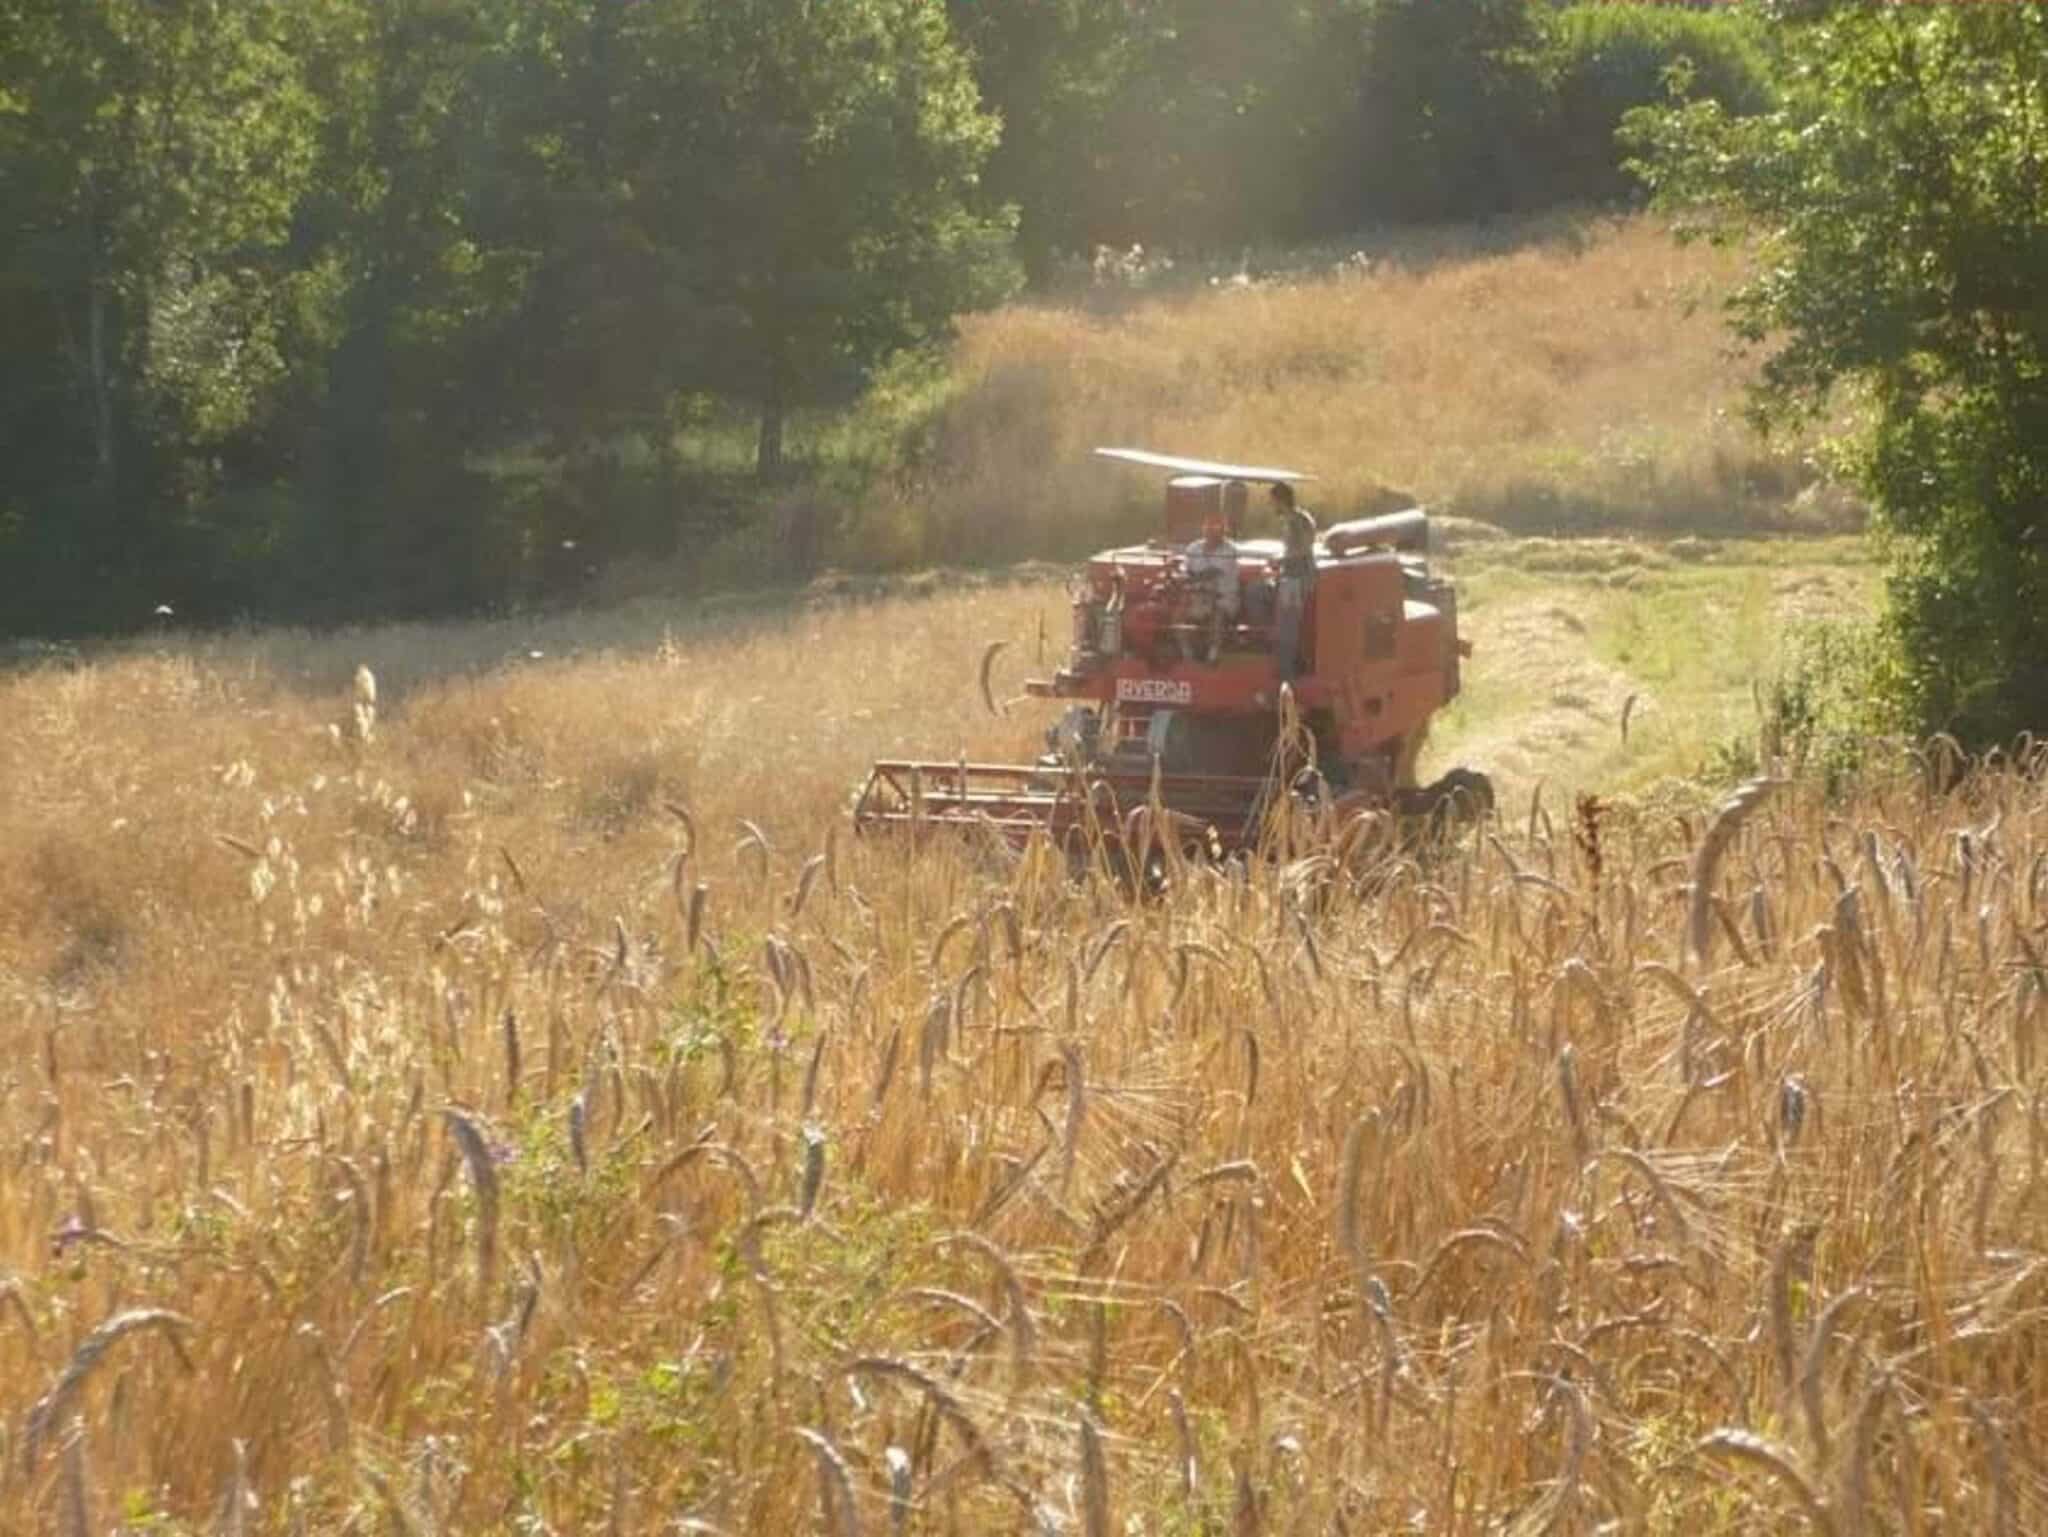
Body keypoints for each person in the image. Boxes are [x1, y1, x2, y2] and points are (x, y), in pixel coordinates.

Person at [1270, 480, 1317, 681]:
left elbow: (1303, 548)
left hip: (1297, 579)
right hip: (1291, 577)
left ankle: (1286, 674)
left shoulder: (1298, 520)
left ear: (1281, 500)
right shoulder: (1294, 519)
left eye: (1272, 502)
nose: (1271, 506)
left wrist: (1281, 559)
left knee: (1288, 626)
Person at [1183, 506, 1239, 662]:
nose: (1212, 529)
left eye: (1217, 526)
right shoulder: (1193, 547)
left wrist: (1191, 578)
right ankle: (1186, 655)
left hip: (1223, 597)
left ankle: (1212, 656)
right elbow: (1184, 571)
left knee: (1218, 613)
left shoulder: (1230, 550)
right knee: (1177, 611)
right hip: (1197, 597)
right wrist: (1184, 579)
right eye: (1209, 525)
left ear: (1224, 529)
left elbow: (1213, 573)